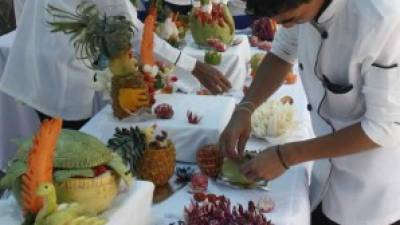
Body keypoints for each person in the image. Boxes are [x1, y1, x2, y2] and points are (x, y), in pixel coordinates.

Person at [218, 0, 400, 224]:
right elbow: (282, 54)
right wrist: (244, 109)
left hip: (369, 196)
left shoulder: (384, 19)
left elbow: (385, 127)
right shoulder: (301, 10)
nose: (284, 27)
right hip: (322, 178)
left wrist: (287, 155)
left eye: (289, 20)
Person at [0, 0, 231, 130]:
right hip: (64, 70)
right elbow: (136, 34)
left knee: (57, 143)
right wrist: (194, 67)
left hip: (40, 57)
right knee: (69, 148)